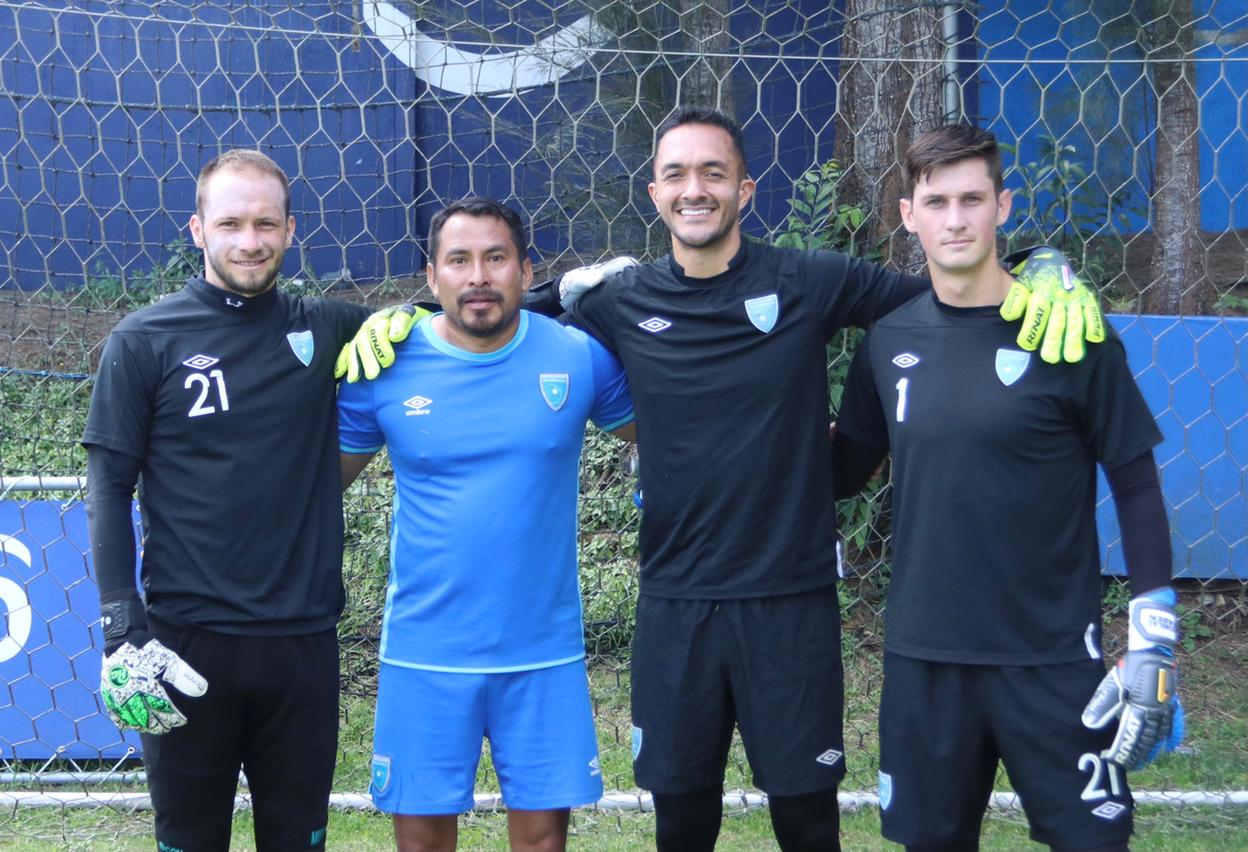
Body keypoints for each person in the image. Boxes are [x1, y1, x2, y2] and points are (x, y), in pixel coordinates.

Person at [340, 108, 1104, 851]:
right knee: (682, 822)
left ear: (744, 189)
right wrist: (402, 317)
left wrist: (1042, 263)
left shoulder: (810, 279)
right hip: (676, 601)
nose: (694, 188)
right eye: (676, 173)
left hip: (791, 599)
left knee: (808, 822)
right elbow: (498, 308)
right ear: (655, 192)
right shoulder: (621, 298)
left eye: (714, 172)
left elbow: (947, 292)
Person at [833, 123, 1182, 851]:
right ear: (908, 214)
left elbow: (1137, 485)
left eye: (972, 198)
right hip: (926, 660)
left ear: (1003, 206)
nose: (954, 219)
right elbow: (840, 472)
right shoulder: (888, 342)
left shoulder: (1070, 330)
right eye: (936, 202)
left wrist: (1154, 634)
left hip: (1054, 659)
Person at [83, 149, 372, 850]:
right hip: (184, 645)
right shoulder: (144, 340)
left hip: (302, 647)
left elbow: (457, 322)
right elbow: (108, 486)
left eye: (266, 223)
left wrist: (561, 299)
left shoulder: (329, 327)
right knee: (187, 841)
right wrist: (124, 628)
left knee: (296, 841)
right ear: (197, 229)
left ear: (291, 229)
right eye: (232, 222)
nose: (250, 240)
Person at [335, 198, 635, 852]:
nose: (478, 276)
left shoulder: (578, 357)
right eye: (460, 260)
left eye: (496, 258)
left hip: (542, 650)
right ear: (432, 274)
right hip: (424, 650)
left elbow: (675, 437)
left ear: (526, 272)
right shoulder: (384, 364)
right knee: (420, 843)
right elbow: (313, 485)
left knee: (541, 843)